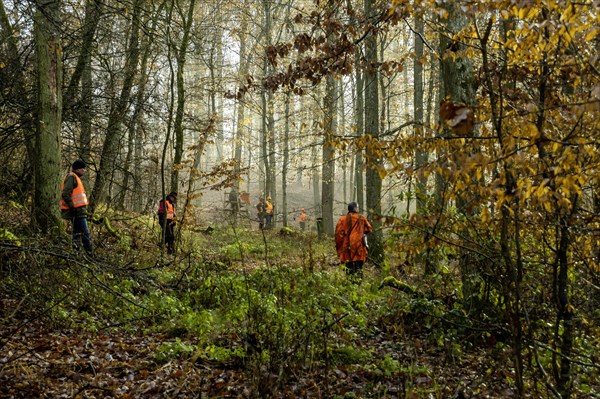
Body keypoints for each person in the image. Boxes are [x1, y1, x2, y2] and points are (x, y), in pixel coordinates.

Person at [60, 159, 92, 254]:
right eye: (83, 168)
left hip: (79, 211)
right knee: (85, 232)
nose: (85, 170)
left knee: (76, 233)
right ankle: (89, 252)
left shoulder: (76, 178)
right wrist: (72, 207)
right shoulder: (71, 177)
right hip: (76, 211)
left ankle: (76, 252)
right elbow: (65, 193)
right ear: (78, 169)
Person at [335, 202, 372, 279]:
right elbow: (369, 229)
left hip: (347, 247)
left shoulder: (342, 219)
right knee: (358, 267)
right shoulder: (361, 218)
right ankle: (358, 284)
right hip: (359, 247)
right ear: (355, 208)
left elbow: (338, 235)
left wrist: (339, 249)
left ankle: (350, 285)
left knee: (348, 268)